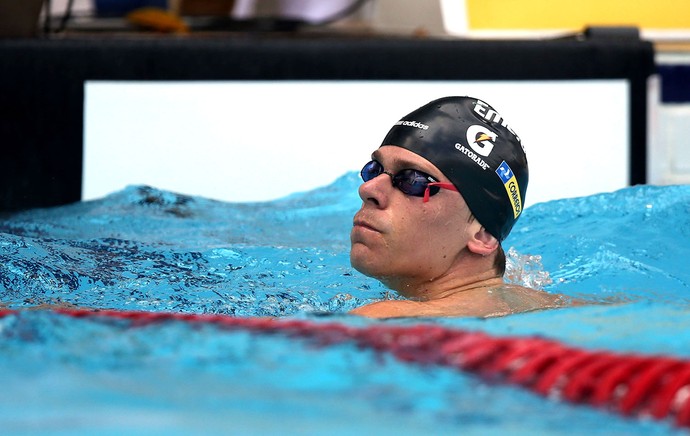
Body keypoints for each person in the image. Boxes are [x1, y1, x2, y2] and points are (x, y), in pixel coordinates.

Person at [349, 96, 567, 318]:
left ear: (483, 235)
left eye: (413, 180)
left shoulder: (382, 319)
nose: (368, 189)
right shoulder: (566, 309)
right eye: (374, 170)